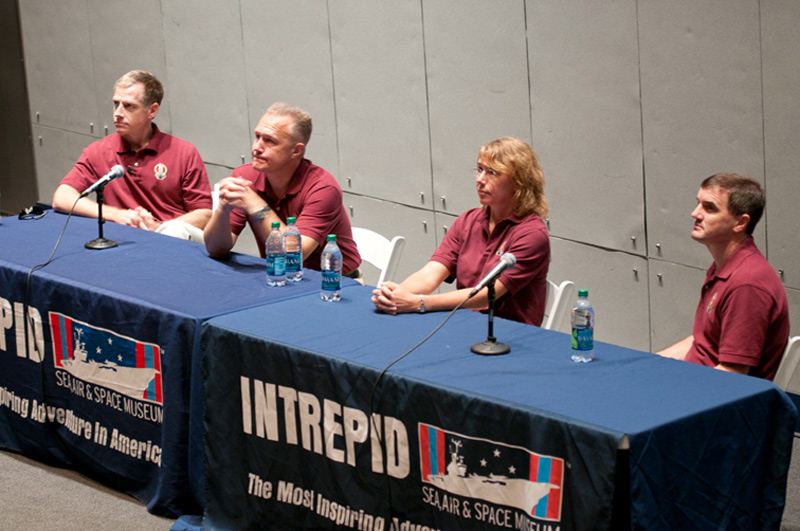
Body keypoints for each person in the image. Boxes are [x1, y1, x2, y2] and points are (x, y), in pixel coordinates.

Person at [372, 137, 550, 326]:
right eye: (480, 169)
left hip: (507, 334)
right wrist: (396, 296)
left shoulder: (532, 234)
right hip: (462, 322)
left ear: (518, 182)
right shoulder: (468, 221)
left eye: (492, 173)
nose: (480, 180)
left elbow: (488, 294)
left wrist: (418, 303)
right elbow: (431, 274)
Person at [656, 173, 789, 380]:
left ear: (740, 223)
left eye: (709, 208)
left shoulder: (747, 284)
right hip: (701, 383)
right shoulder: (725, 267)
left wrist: (674, 385)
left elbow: (732, 376)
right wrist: (648, 364)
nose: (695, 214)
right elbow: (701, 342)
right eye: (698, 204)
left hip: (722, 401)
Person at [52, 70, 212, 241]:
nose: (118, 113)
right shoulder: (99, 151)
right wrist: (117, 215)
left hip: (171, 243)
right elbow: (62, 198)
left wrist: (159, 229)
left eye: (129, 106)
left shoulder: (183, 152)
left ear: (152, 110)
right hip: (122, 242)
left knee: (174, 232)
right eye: (116, 104)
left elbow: (204, 214)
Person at [204, 102, 361, 274]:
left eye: (270, 141)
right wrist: (222, 210)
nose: (257, 147)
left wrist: (256, 206)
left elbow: (292, 258)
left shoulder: (323, 188)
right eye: (257, 136)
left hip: (334, 283)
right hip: (279, 276)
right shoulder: (245, 176)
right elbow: (215, 249)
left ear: (296, 151)